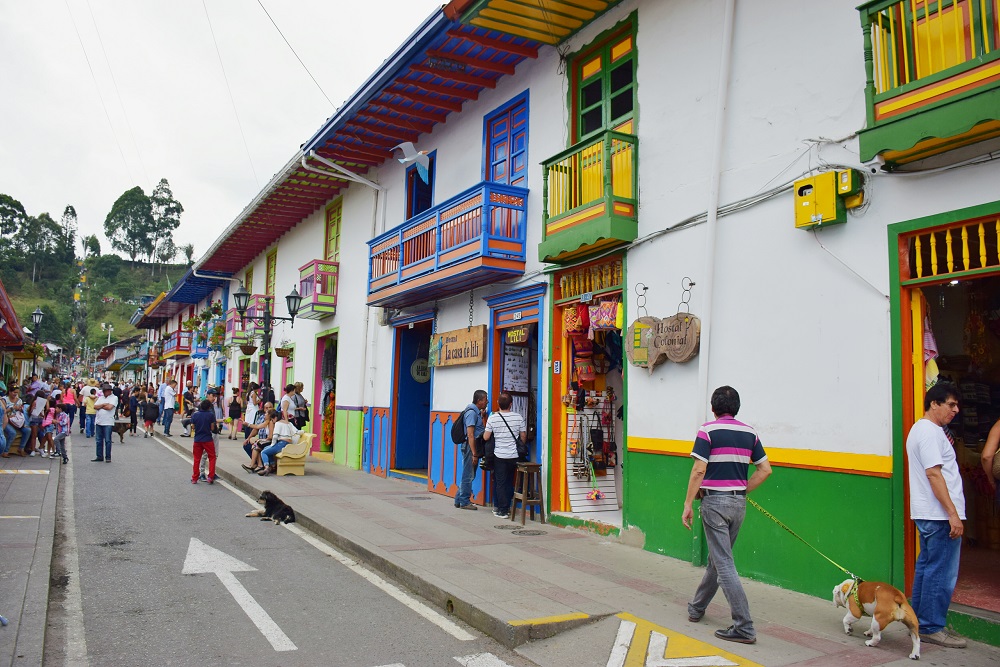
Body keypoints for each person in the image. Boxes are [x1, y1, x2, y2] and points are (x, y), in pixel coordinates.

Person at [682, 386, 772, 645]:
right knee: (718, 560)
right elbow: (765, 470)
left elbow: (699, 470)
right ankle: (697, 608)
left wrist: (688, 503)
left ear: (713, 408)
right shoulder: (750, 432)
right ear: (737, 408)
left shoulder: (707, 431)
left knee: (724, 565)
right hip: (738, 504)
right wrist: (742, 490)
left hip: (714, 504)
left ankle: (744, 627)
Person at [906, 382, 967, 649]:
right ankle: (931, 625)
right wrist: (953, 514)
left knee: (928, 568)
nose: (956, 410)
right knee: (941, 572)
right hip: (939, 515)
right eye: (951, 404)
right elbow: (934, 473)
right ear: (934, 403)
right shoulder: (929, 432)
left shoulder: (922, 430)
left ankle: (919, 621)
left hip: (930, 513)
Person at [483, 392, 526, 519]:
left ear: (498, 403)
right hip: (513, 455)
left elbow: (486, 437)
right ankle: (506, 506)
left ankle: (503, 510)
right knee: (509, 481)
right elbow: (523, 436)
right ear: (511, 404)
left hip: (499, 455)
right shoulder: (518, 417)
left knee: (500, 482)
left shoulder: (493, 418)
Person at [455, 390, 488, 510]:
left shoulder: (476, 412)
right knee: (468, 474)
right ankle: (464, 501)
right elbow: (470, 435)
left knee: (469, 473)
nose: (487, 401)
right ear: (479, 401)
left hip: (471, 446)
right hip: (470, 447)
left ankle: (459, 499)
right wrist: (474, 454)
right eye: (485, 399)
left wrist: (483, 416)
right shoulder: (472, 414)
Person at [259, 409, 297, 476]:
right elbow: (296, 431)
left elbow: (275, 436)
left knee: (264, 452)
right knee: (267, 449)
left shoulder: (278, 423)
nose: (272, 422)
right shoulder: (288, 423)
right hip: (288, 444)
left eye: (272, 420)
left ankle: (266, 467)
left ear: (275, 418)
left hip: (282, 444)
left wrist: (272, 445)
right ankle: (273, 465)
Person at [190, 400, 218, 484]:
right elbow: (212, 428)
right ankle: (210, 477)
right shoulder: (211, 415)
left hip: (197, 439)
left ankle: (195, 478)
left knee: (196, 459)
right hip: (208, 439)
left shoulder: (195, 415)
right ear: (209, 407)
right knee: (212, 457)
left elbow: (193, 426)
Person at [92, 383, 119, 462]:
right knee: (98, 440)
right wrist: (103, 404)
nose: (104, 392)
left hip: (108, 421)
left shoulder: (114, 398)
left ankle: (108, 457)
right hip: (99, 421)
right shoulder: (101, 398)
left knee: (107, 440)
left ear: (110, 391)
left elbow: (110, 407)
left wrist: (100, 406)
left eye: (106, 391)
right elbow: (95, 406)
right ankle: (99, 456)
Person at [2, 387, 31, 456]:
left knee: (28, 430)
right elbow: (3, 411)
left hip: (17, 420)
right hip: (6, 420)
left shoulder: (19, 400)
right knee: (12, 433)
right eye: (14, 392)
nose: (15, 394)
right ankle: (5, 451)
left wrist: (20, 409)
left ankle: (21, 448)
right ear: (10, 392)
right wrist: (12, 408)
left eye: (17, 392)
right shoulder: (4, 400)